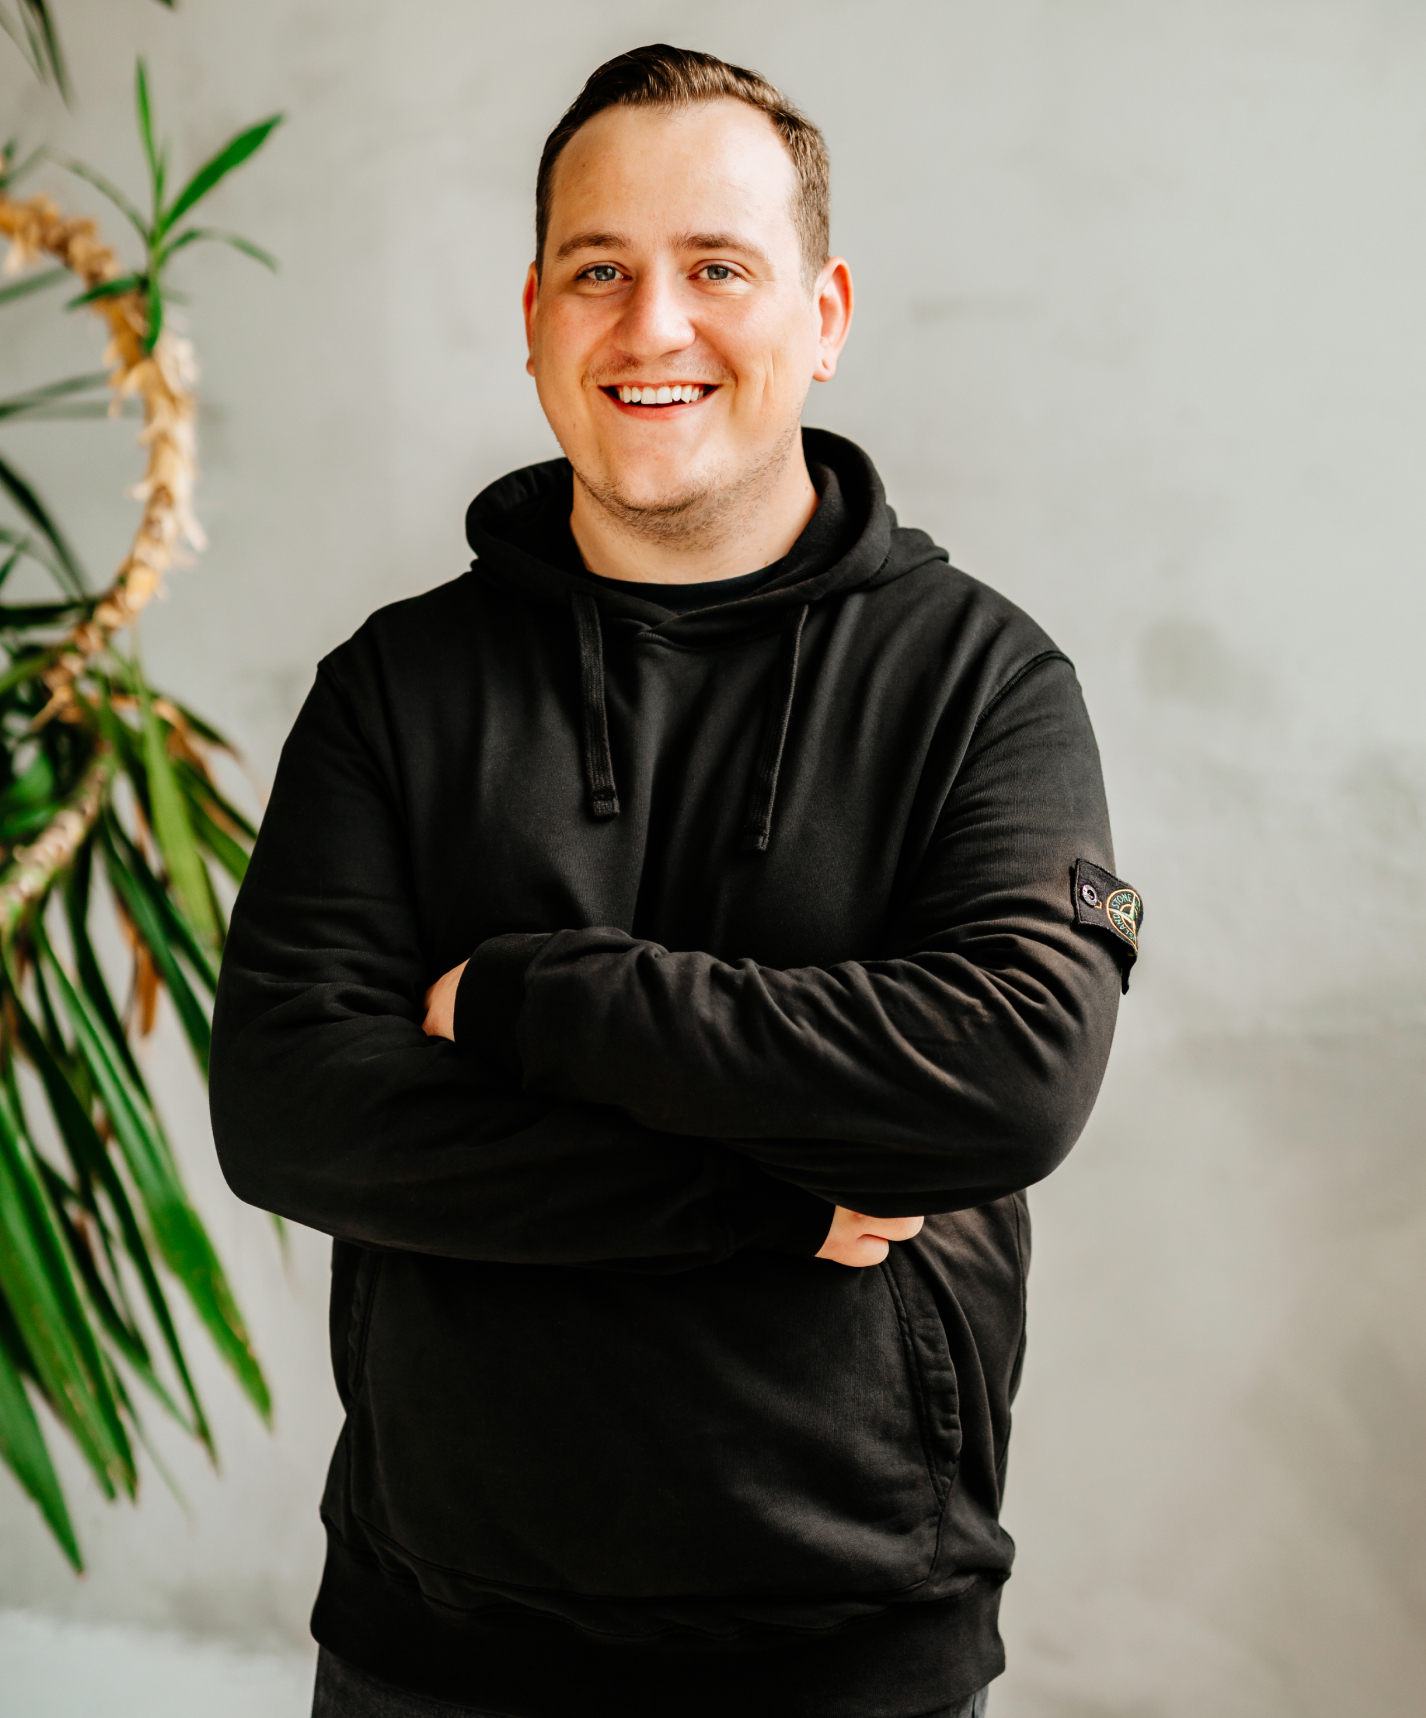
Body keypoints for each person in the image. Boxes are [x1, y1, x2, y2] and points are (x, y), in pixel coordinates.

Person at [211, 43, 1142, 1718]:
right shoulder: (395, 690)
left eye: (717, 266)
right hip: (434, 1648)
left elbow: (1004, 1076)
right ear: (534, 313)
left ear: (824, 309)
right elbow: (292, 1108)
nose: (651, 326)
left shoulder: (980, 684)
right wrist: (779, 1194)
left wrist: (526, 997)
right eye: (599, 270)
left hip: (849, 1647)